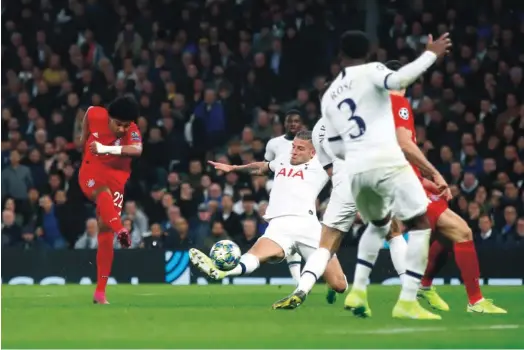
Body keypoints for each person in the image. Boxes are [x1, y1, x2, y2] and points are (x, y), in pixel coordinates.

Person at [273, 30, 451, 320]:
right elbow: (399, 81)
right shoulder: (372, 77)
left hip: (349, 177)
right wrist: (430, 53)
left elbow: (332, 152)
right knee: (403, 227)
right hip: (382, 164)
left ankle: (303, 289)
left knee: (328, 242)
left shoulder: (328, 104)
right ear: (368, 52)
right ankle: (411, 292)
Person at [379, 61, 504, 314]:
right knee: (462, 231)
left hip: (401, 181)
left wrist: (425, 180)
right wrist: (433, 172)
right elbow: (404, 145)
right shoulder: (398, 104)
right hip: (403, 185)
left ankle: (423, 285)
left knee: (446, 237)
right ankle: (474, 301)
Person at [189, 131, 348, 296]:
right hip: (279, 225)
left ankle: (330, 286)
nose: (294, 151)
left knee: (339, 285)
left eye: (300, 148)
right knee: (254, 256)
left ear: (313, 152)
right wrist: (233, 168)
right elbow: (261, 167)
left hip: (308, 226)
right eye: (293, 146)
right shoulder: (283, 160)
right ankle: (223, 272)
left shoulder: (323, 164)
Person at [78, 95, 142, 304]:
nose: (122, 129)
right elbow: (88, 113)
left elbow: (137, 150)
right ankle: (121, 229)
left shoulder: (132, 129)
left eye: (126, 125)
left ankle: (100, 292)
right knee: (101, 193)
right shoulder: (97, 114)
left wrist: (107, 148)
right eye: (118, 124)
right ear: (109, 118)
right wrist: (83, 137)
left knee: (104, 229)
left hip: (116, 177)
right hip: (92, 169)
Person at [263, 109, 305, 284]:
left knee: (307, 238)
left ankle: (332, 278)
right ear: (284, 124)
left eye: (296, 121)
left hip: (303, 195)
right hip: (281, 197)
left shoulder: (310, 144)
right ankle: (299, 282)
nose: (293, 124)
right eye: (290, 121)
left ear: (301, 124)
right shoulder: (274, 144)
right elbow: (267, 167)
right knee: (290, 236)